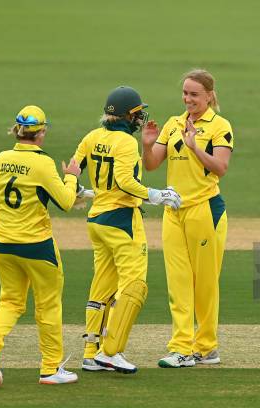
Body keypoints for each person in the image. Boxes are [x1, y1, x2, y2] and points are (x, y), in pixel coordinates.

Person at [76, 86, 181, 374]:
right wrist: (157, 195)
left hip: (97, 222)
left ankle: (90, 351)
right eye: (136, 113)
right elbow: (124, 181)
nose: (139, 118)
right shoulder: (124, 143)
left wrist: (84, 192)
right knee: (134, 286)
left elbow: (73, 171)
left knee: (103, 287)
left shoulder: (92, 137)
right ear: (126, 115)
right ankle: (111, 352)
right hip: (122, 222)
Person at [0, 105, 81, 387]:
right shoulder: (43, 162)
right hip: (36, 245)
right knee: (48, 305)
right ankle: (50, 369)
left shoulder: (1, 159)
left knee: (10, 300)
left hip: (3, 242)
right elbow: (67, 201)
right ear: (42, 132)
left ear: (17, 130)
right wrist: (71, 175)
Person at [142, 69, 233, 368]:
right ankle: (181, 347)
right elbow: (153, 164)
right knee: (178, 282)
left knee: (204, 283)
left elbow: (220, 168)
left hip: (205, 210)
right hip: (173, 211)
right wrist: (147, 143)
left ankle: (206, 348)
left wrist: (195, 148)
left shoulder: (220, 126)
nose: (188, 99)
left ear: (209, 95)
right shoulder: (173, 123)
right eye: (185, 93)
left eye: (194, 94)